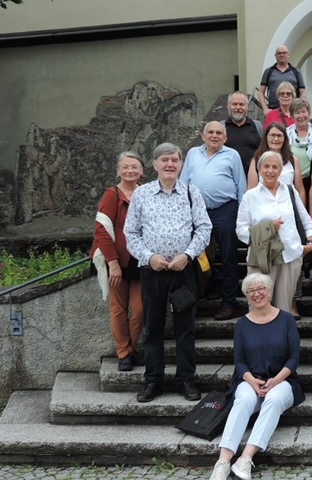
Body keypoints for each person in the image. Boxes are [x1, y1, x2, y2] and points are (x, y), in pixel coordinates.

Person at [124, 143, 212, 403]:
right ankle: (153, 380)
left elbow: (204, 228)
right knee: (153, 327)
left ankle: (186, 379)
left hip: (183, 271)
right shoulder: (142, 194)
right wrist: (149, 257)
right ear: (155, 164)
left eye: (175, 160)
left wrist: (188, 255)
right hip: (152, 272)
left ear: (181, 164)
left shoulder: (191, 193)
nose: (170, 164)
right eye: (165, 160)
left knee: (186, 328)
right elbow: (131, 232)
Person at [208, 273, 304, 480]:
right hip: (249, 379)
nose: (256, 294)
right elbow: (239, 360)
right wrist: (251, 380)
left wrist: (276, 380)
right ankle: (223, 461)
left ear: (269, 292)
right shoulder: (242, 324)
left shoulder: (286, 319)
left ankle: (245, 458)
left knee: (274, 399)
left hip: (283, 379)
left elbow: (294, 358)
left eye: (261, 289)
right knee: (243, 399)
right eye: (250, 291)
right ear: (247, 296)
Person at [236, 152, 312, 313]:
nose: (270, 171)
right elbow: (241, 230)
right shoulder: (250, 196)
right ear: (259, 169)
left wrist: (310, 241)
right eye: (266, 166)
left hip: (290, 255)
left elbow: (304, 218)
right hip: (262, 258)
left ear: (281, 171)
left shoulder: (290, 191)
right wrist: (267, 229)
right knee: (259, 307)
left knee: (284, 309)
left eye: (275, 167)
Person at [182, 121, 247, 321]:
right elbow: (183, 182)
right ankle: (214, 280)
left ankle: (229, 302)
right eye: (210, 132)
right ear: (203, 136)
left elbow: (241, 185)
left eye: (219, 133)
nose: (214, 135)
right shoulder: (193, 154)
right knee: (197, 253)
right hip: (197, 210)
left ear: (225, 138)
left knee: (228, 255)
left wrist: (242, 214)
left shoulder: (232, 155)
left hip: (225, 209)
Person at [90, 151, 145, 372]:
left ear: (142, 170)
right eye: (125, 167)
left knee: (140, 309)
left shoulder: (146, 192)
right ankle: (124, 353)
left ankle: (131, 347)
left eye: (134, 166)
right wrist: (112, 263)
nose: (130, 170)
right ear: (118, 171)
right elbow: (101, 231)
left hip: (140, 259)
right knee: (118, 309)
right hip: (118, 260)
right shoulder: (112, 194)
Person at [247, 122, 306, 205]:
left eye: (279, 136)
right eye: (272, 135)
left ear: (285, 139)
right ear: (266, 137)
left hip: (288, 207)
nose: (276, 139)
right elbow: (251, 191)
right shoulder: (257, 160)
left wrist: (300, 210)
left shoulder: (293, 160)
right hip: (264, 206)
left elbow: (300, 190)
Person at [286, 98, 312, 200]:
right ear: (292, 116)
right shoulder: (285, 135)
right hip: (293, 182)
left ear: (309, 113)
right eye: (297, 113)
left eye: (303, 111)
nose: (301, 116)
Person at [224, 91, 264, 176]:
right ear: (228, 106)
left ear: (247, 107)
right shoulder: (221, 128)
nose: (238, 107)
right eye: (234, 104)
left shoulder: (258, 126)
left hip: (253, 178)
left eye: (241, 104)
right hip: (227, 177)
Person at [259, 45, 306, 114]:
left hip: (292, 111)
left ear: (288, 55)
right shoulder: (269, 71)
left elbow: (303, 92)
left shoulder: (296, 72)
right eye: (279, 53)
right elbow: (261, 92)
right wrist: (265, 109)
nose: (281, 55)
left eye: (284, 53)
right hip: (273, 110)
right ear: (275, 56)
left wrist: (299, 108)